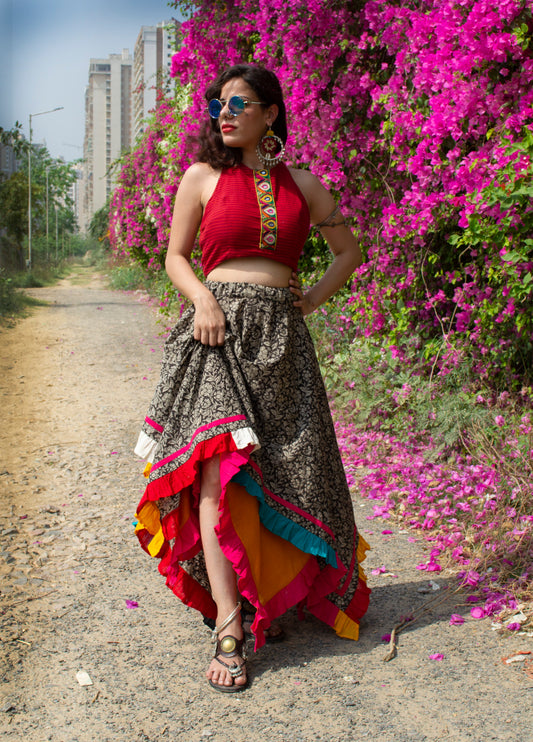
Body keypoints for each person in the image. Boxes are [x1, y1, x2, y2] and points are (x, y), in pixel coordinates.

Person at [133, 64, 370, 693]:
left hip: (283, 343)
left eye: (240, 103)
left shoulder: (306, 187)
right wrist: (204, 302)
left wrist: (313, 298)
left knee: (286, 471)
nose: (224, 112)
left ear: (271, 114)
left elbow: (349, 251)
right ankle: (231, 629)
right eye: (219, 102)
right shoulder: (201, 177)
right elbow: (175, 256)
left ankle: (270, 593)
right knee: (216, 471)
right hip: (215, 338)